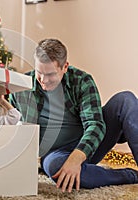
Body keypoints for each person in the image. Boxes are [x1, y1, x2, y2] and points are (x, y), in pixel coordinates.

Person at [9, 38, 138, 192]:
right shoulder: (22, 86)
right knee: (58, 169)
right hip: (55, 153)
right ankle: (130, 175)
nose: (43, 80)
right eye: (39, 73)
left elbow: (95, 124)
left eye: (50, 74)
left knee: (126, 100)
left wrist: (76, 158)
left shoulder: (82, 81)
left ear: (65, 67)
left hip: (88, 145)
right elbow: (11, 124)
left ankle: (84, 167)